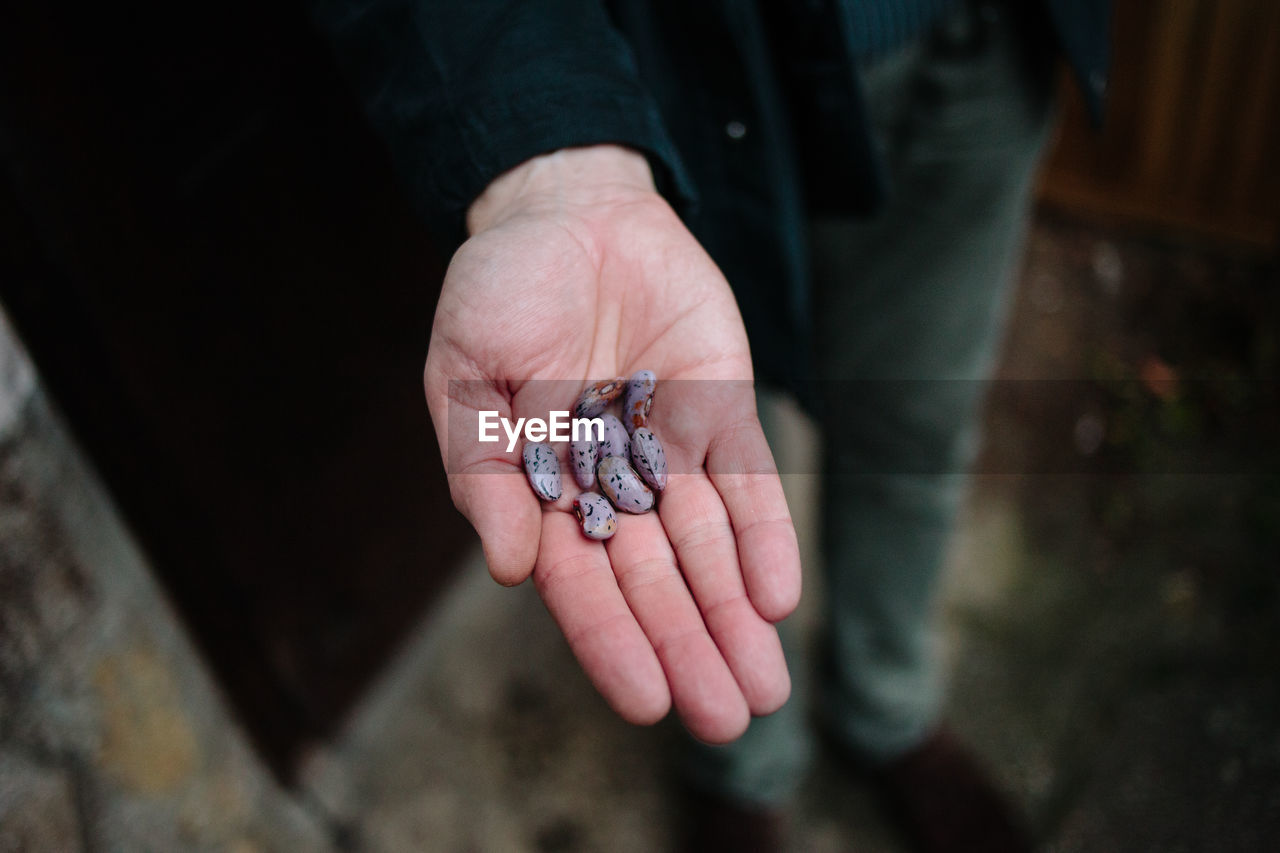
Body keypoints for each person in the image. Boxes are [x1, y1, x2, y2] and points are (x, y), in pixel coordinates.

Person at [312, 1, 1111, 849]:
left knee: (915, 419)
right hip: (681, 72)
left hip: (982, 40)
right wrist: (546, 158)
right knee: (718, 440)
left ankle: (889, 710)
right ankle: (742, 767)